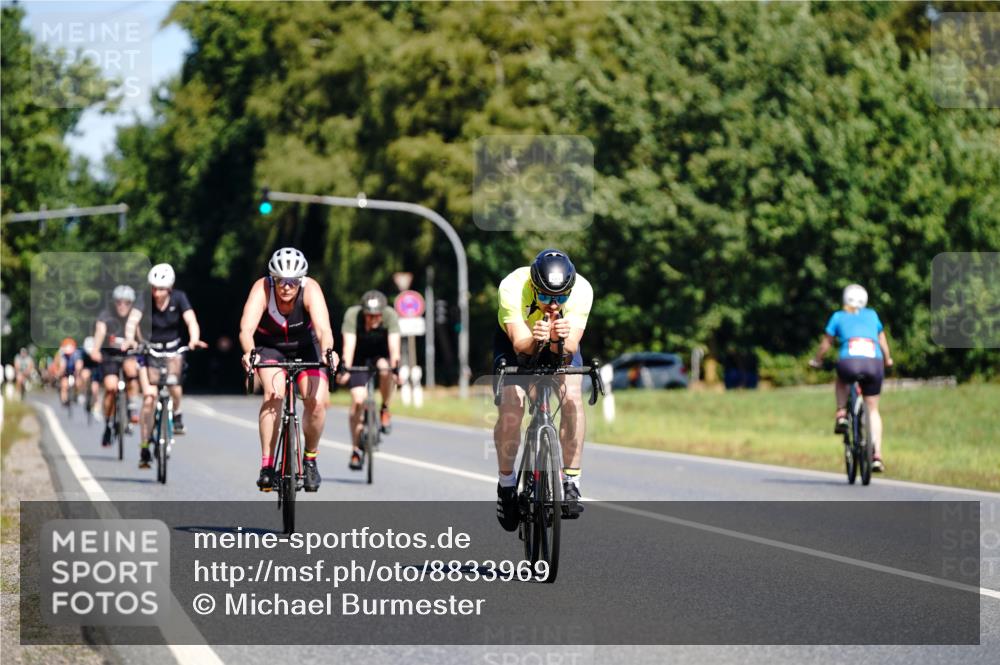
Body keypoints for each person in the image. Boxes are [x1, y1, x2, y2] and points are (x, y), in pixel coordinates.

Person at [493, 249, 594, 531]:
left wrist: (556, 339)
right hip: (517, 341)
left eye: (561, 297)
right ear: (533, 286)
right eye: (546, 296)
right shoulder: (513, 285)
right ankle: (506, 485)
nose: (553, 304)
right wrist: (536, 340)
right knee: (512, 406)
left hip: (558, 341)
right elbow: (520, 346)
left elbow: (569, 350)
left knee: (572, 396)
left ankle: (571, 480)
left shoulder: (582, 290)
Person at [239, 248, 337, 492]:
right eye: (281, 281)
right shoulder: (261, 289)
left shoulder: (311, 289)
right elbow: (246, 330)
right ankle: (267, 465)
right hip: (270, 348)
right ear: (273, 279)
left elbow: (325, 330)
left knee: (316, 402)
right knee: (274, 395)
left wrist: (328, 352)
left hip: (307, 347)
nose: (286, 287)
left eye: (292, 282)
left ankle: (310, 459)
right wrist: (250, 354)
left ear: (300, 280)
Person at [810, 284, 894, 472]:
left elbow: (826, 344)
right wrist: (888, 359)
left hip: (849, 363)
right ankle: (877, 455)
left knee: (841, 380)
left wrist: (817, 360)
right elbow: (882, 340)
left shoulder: (838, 316)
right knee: (873, 409)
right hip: (874, 364)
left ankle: (841, 413)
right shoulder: (872, 315)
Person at [138, 263, 207, 463]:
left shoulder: (179, 298)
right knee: (149, 398)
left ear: (169, 288)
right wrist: (133, 340)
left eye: (160, 288)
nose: (156, 292)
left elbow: (191, 320)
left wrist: (194, 339)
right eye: (153, 288)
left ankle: (176, 413)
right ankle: (144, 446)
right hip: (149, 349)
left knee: (174, 386)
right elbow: (134, 321)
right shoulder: (145, 299)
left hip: (172, 349)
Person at [337, 290, 402, 470]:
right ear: (363, 313)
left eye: (376, 316)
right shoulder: (352, 315)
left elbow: (394, 345)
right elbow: (348, 345)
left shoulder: (390, 315)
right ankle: (356, 449)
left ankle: (385, 408)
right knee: (358, 400)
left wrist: (396, 368)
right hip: (358, 359)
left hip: (380, 355)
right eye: (369, 316)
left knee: (384, 368)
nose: (373, 319)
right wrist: (345, 369)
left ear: (382, 313)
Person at [90, 285, 143, 452]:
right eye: (119, 302)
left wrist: (139, 344)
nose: (122, 306)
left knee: (131, 369)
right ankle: (108, 422)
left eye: (127, 303)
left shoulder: (134, 317)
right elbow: (100, 332)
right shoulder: (106, 315)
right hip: (109, 357)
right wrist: (95, 349)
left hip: (128, 354)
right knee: (111, 387)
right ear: (114, 303)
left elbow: (140, 337)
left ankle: (132, 405)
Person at [55, 338, 84, 406]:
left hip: (74, 371)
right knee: (64, 385)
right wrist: (59, 373)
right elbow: (62, 366)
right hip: (66, 372)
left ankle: (77, 394)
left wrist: (77, 373)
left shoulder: (76, 354)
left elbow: (79, 364)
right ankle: (64, 400)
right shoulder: (62, 355)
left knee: (78, 382)